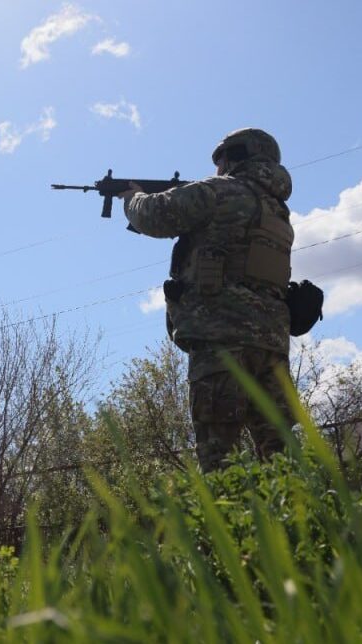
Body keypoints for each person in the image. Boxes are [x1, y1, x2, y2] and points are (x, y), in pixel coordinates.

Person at [118, 128, 294, 470]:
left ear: (238, 156)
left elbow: (155, 216)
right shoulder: (277, 211)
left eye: (222, 161)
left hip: (222, 343)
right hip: (271, 346)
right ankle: (298, 522)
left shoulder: (219, 192)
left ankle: (229, 523)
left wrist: (132, 197)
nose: (217, 170)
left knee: (219, 459)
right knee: (281, 457)